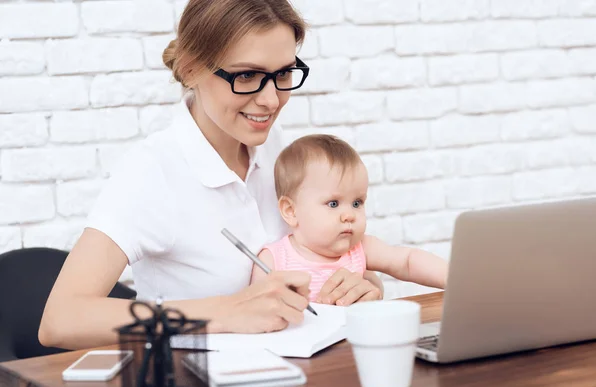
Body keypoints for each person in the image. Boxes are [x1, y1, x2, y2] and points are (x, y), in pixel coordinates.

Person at [39, 0, 383, 350]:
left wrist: (356, 285)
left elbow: (308, 257)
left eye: (282, 74)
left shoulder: (276, 148)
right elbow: (61, 320)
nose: (271, 100)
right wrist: (223, 312)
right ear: (191, 70)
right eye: (246, 76)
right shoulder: (153, 170)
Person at [251, 134, 448, 305]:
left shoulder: (360, 249)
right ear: (291, 211)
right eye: (333, 204)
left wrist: (458, 280)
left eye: (357, 203)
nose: (349, 215)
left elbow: (407, 261)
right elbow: (257, 310)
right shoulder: (273, 260)